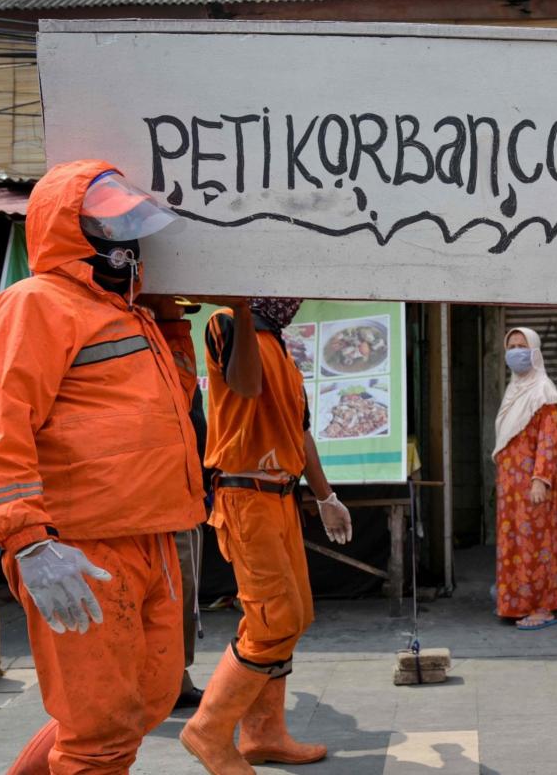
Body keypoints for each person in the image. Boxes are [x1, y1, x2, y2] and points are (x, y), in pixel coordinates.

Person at [0, 161, 204, 773]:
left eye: (128, 227)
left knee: (144, 701)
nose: (125, 243)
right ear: (72, 231)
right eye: (109, 227)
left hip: (152, 536)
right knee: (99, 731)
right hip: (80, 545)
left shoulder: (129, 314)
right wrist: (30, 542)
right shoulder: (34, 305)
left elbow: (174, 401)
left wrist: (171, 322)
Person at [180, 296, 352, 773]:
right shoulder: (225, 324)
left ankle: (263, 733)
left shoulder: (280, 346)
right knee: (274, 619)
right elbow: (246, 386)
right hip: (245, 495)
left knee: (290, 618)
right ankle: (209, 729)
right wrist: (236, 303)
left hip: (281, 496)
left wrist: (325, 497)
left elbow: (299, 432)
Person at [143, 294, 211, 710]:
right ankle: (161, 681)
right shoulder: (143, 347)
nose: (180, 313)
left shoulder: (173, 348)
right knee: (167, 591)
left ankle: (175, 676)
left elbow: (191, 415)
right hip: (153, 494)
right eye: (174, 308)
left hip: (181, 494)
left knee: (180, 591)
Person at [492, 327, 557, 631]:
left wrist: (540, 478)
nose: (515, 352)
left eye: (521, 346)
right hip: (511, 487)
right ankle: (515, 600)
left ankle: (543, 606)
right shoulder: (515, 390)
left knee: (536, 544)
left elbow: (549, 440)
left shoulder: (544, 391)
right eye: (511, 346)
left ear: (535, 352)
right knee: (515, 544)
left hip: (534, 484)